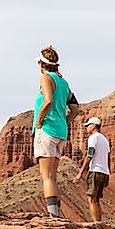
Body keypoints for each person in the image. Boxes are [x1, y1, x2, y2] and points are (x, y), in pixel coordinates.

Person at [33, 45, 79, 217]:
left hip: (47, 129)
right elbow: (75, 108)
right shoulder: (63, 82)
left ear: (41, 63)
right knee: (53, 176)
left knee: (46, 176)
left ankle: (53, 217)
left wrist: (39, 122)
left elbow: (48, 100)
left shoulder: (46, 78)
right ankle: (57, 214)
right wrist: (65, 122)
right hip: (61, 132)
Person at [74, 116, 110, 222]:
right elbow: (108, 157)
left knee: (91, 199)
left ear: (94, 126)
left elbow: (90, 154)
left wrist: (80, 173)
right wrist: (108, 172)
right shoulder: (105, 139)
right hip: (104, 172)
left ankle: (96, 224)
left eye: (88, 125)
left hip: (95, 171)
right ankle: (99, 223)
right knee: (96, 200)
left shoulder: (93, 138)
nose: (86, 128)